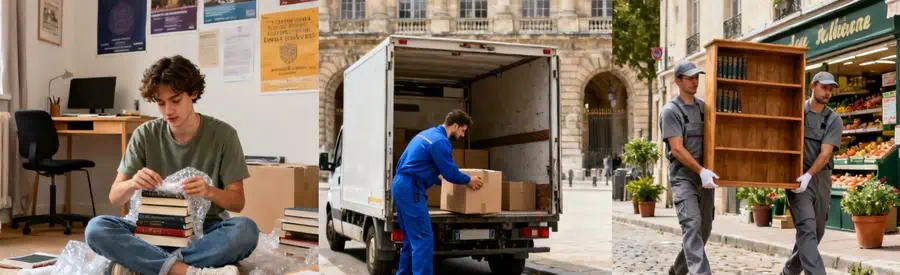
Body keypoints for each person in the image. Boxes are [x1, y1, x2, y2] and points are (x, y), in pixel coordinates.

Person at [84, 55, 259, 275]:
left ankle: (146, 264)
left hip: (205, 230)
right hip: (151, 228)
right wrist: (132, 183)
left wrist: (208, 191)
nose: (168, 110)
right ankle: (187, 271)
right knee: (96, 228)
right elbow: (114, 196)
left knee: (245, 230)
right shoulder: (144, 135)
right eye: (160, 102)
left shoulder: (223, 135)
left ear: (193, 93)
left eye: (175, 100)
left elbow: (237, 202)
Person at [391, 109, 485, 275]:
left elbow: (423, 166)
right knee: (424, 239)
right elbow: (450, 172)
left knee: (411, 240)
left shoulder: (427, 134)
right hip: (411, 189)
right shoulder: (440, 142)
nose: (462, 135)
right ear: (455, 125)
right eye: (462, 130)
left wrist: (440, 181)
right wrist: (469, 180)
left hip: (401, 185)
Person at [660, 60, 720, 275]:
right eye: (689, 78)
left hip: (705, 178)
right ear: (677, 81)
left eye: (696, 77)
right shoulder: (670, 111)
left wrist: (708, 172)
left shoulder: (705, 108)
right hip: (683, 177)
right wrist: (701, 170)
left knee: (704, 229)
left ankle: (677, 270)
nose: (694, 82)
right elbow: (676, 149)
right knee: (692, 224)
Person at [780, 71, 842, 275]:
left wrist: (809, 175)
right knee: (807, 228)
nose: (828, 93)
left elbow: (825, 154)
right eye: (824, 87)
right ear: (812, 86)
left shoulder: (834, 119)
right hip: (796, 180)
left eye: (831, 89)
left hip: (820, 179)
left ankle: (788, 272)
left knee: (816, 232)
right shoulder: (795, 112)